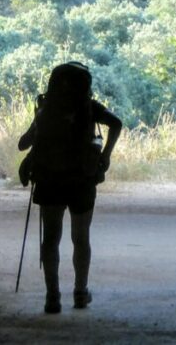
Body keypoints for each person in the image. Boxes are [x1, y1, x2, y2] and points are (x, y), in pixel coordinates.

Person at [18, 62, 122, 314]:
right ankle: (79, 293)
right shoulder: (89, 107)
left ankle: (52, 297)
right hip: (82, 180)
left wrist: (39, 123)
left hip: (50, 180)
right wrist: (105, 156)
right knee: (81, 238)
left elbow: (23, 144)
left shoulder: (46, 108)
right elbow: (116, 124)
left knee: (51, 239)